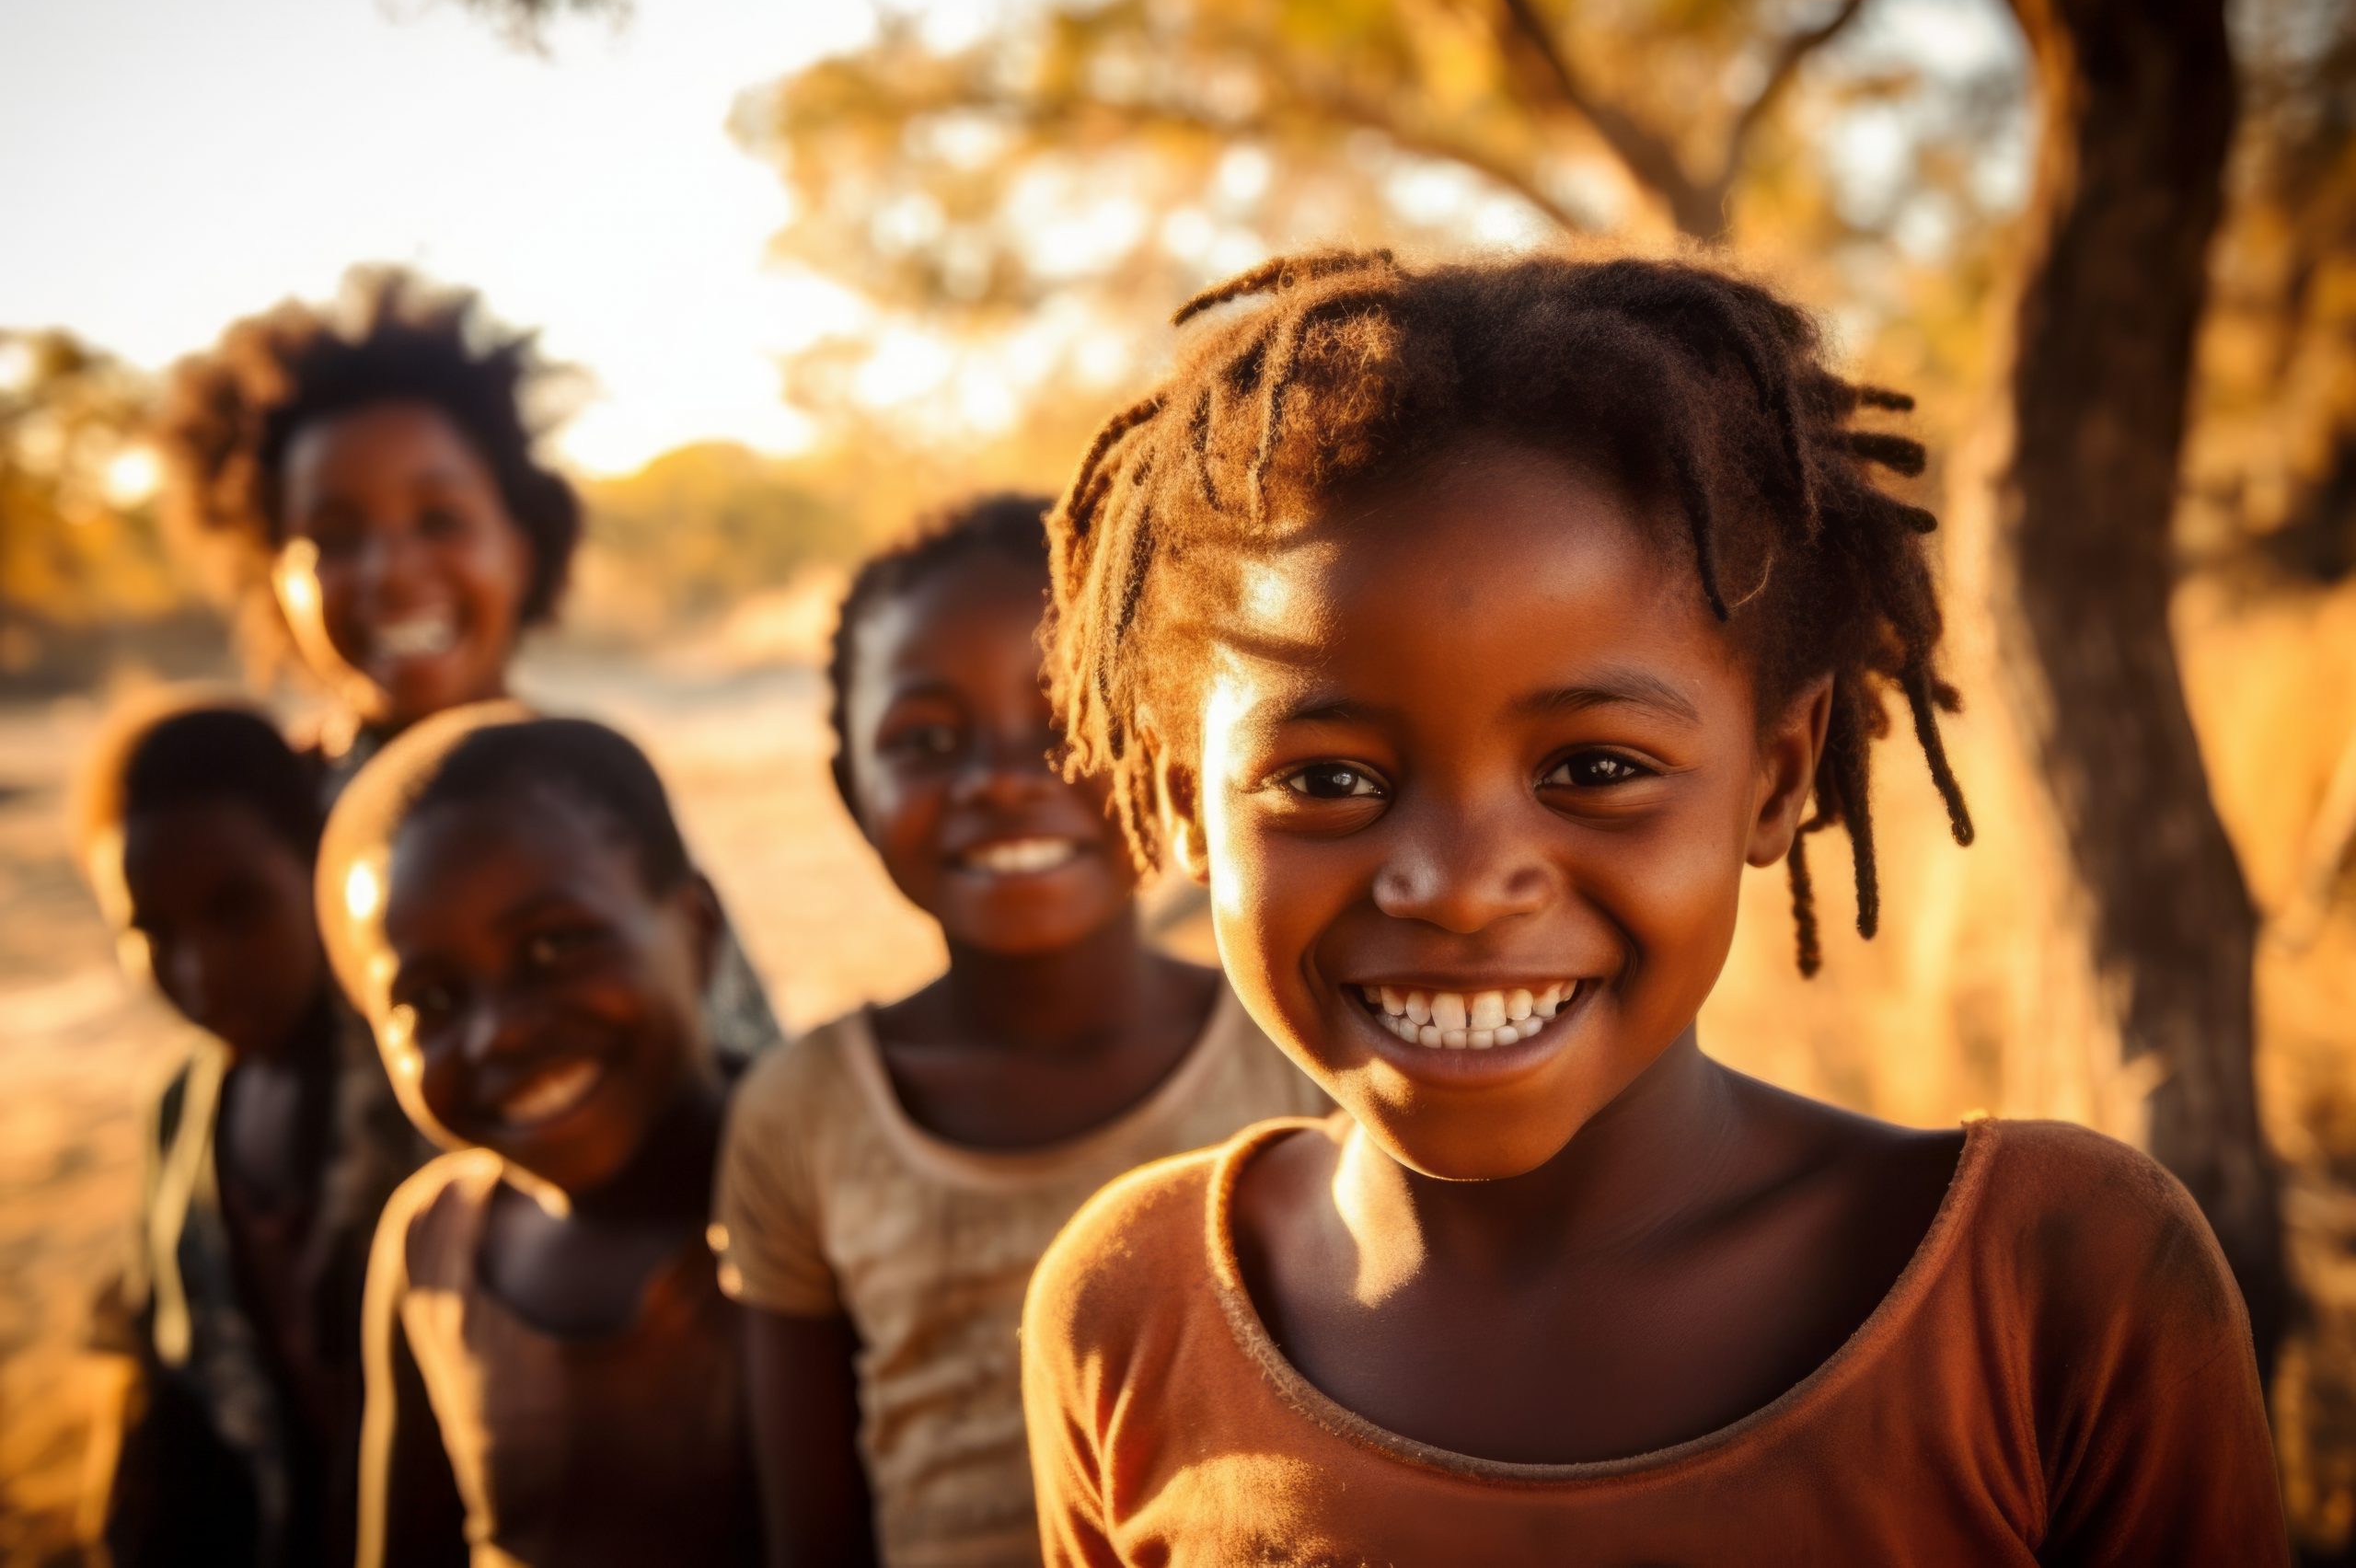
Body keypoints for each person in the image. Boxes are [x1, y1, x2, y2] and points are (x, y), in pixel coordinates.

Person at [1019, 249, 2289, 1565]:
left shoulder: (2047, 1281)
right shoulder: (1130, 1306)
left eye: (1594, 769)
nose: (1460, 886)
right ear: (1185, 802)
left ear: (1775, 778)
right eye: (1329, 780)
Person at [712, 496, 1326, 1568]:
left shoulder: (1306, 1054)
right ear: (851, 791)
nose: (1000, 778)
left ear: (1176, 755)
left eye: (1064, 720)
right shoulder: (801, 1118)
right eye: (925, 741)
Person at [156, 267, 780, 1059]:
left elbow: (745, 1075)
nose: (390, 571)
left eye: (439, 519)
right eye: (335, 535)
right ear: (273, 572)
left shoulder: (592, 801)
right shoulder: (272, 820)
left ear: (522, 543)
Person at [324, 709, 760, 1568]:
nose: (503, 1032)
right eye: (431, 1000)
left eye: (556, 946)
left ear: (698, 929)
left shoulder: (817, 1187)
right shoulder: (431, 1246)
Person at [75, 695, 423, 1568]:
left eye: (238, 910)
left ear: (319, 868)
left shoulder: (425, 1088)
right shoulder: (179, 1110)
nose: (199, 970)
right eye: (152, 931)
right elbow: (162, 1374)